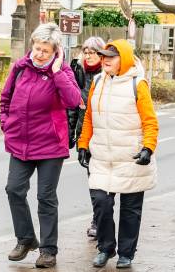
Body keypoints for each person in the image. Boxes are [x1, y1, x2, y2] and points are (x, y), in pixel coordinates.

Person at [0, 23, 82, 268]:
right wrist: (7, 123)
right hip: (20, 143)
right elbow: (5, 99)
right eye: (36, 48)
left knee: (45, 198)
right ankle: (25, 239)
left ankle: (48, 250)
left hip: (49, 146)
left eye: (45, 50)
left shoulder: (63, 72)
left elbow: (74, 100)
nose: (39, 54)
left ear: (55, 51)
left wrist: (56, 72)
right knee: (14, 189)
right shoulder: (20, 69)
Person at [77, 39, 159, 269]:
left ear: (123, 59)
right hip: (103, 157)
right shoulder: (98, 81)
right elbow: (90, 117)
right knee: (101, 203)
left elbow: (150, 122)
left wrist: (148, 148)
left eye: (110, 57)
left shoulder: (138, 84)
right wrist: (83, 144)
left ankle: (126, 253)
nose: (105, 61)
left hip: (131, 158)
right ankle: (105, 247)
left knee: (130, 210)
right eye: (103, 57)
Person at [67, 36, 107, 239]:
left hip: (107, 135)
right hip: (86, 135)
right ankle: (98, 220)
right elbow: (72, 105)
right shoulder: (78, 73)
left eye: (94, 51)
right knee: (94, 181)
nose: (89, 55)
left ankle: (103, 219)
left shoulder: (108, 73)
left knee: (107, 183)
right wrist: (69, 134)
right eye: (86, 51)